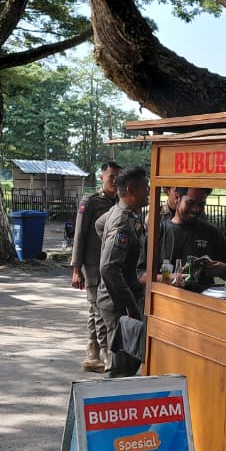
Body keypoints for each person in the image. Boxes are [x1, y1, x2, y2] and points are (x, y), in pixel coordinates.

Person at [96, 166, 150, 378]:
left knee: (128, 361)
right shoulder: (121, 220)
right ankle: (108, 406)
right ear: (131, 190)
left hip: (124, 295)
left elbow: (99, 225)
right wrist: (128, 303)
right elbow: (108, 267)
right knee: (120, 366)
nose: (148, 191)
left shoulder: (125, 213)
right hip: (117, 302)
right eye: (145, 187)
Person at [70, 161, 121, 372]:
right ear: (102, 177)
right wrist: (76, 269)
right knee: (99, 308)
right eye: (111, 176)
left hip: (110, 264)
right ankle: (104, 350)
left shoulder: (119, 202)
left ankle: (92, 353)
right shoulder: (90, 202)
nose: (115, 181)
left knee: (96, 308)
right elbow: (79, 235)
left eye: (118, 177)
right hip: (92, 265)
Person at [156, 187, 226, 293]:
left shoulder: (211, 232)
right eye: (190, 203)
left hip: (202, 303)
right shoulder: (159, 232)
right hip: (166, 303)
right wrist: (168, 278)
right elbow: (141, 275)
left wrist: (222, 269)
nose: (196, 209)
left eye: (201, 204)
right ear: (177, 198)